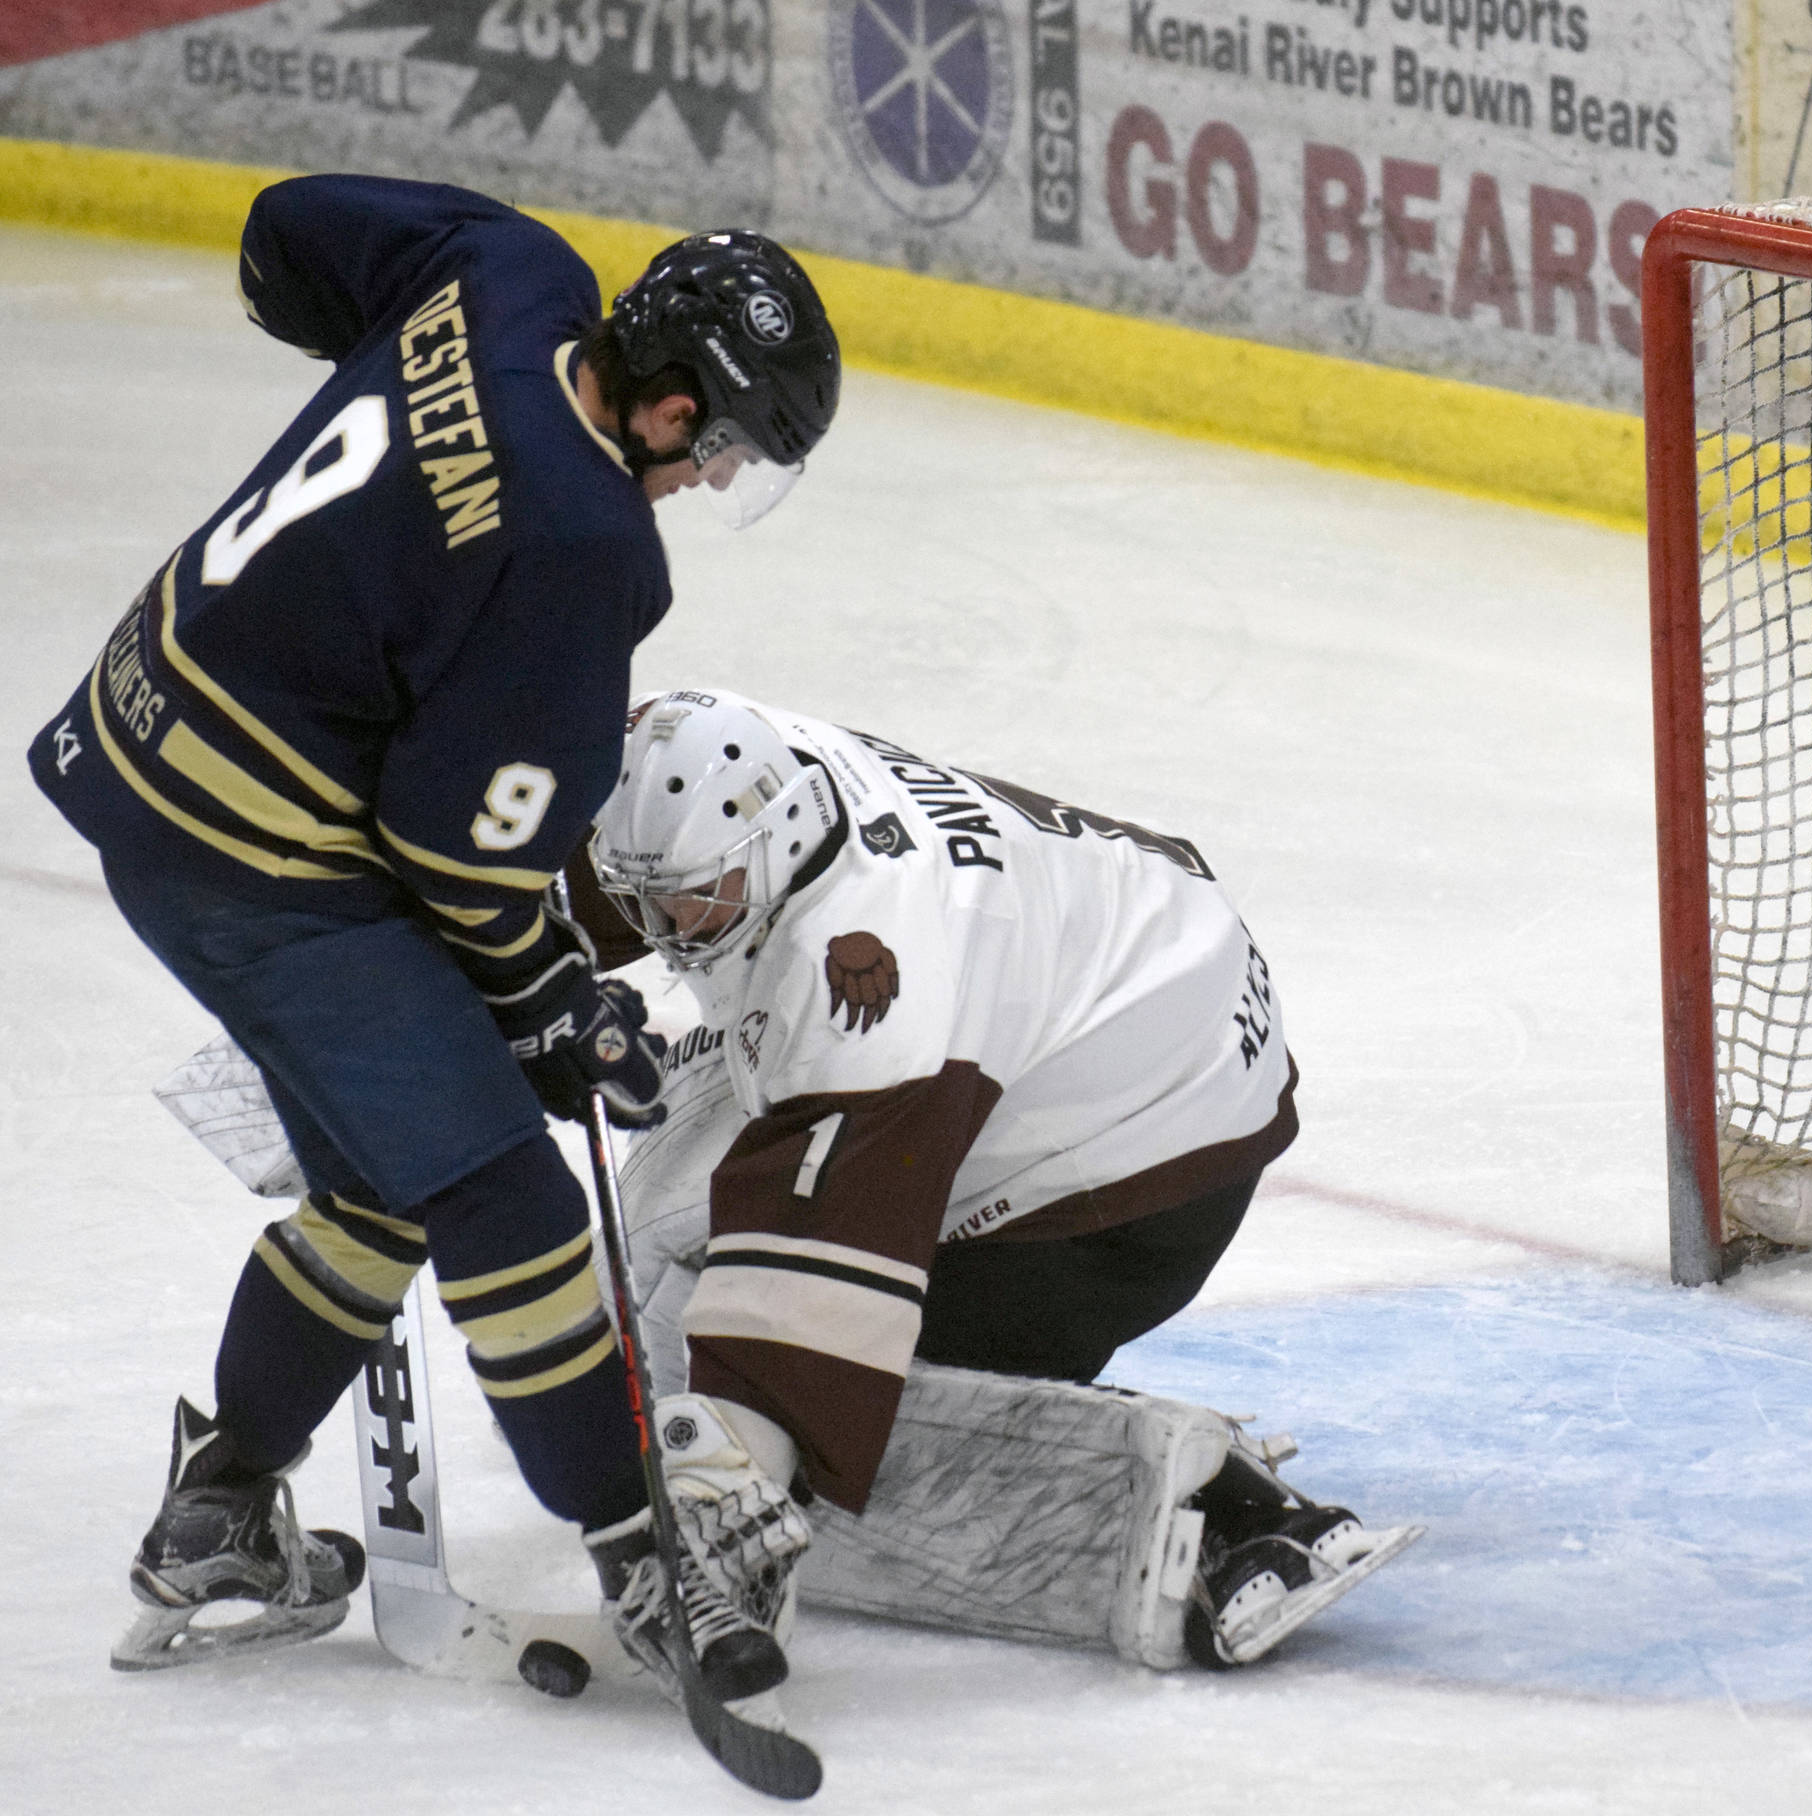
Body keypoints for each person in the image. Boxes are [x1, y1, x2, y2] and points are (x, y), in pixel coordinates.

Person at [25, 175, 839, 1702]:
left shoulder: (509, 272)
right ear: (666, 408)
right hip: (255, 861)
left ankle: (218, 1518)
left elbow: (285, 238)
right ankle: (640, 1550)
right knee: (506, 1206)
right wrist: (551, 1009)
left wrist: (410, 443)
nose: (712, 478)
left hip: (140, 719)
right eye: (720, 446)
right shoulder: (587, 548)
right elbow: (451, 855)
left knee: (379, 1192)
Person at [582, 686, 1422, 1674]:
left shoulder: (876, 981)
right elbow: (558, 870)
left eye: (693, 898)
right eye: (647, 897)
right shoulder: (726, 772)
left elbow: (806, 1307)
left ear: (771, 844)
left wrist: (718, 1508)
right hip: (1125, 976)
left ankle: (1181, 1512)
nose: (669, 927)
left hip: (1138, 1151)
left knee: (713, 1397)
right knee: (650, 1298)